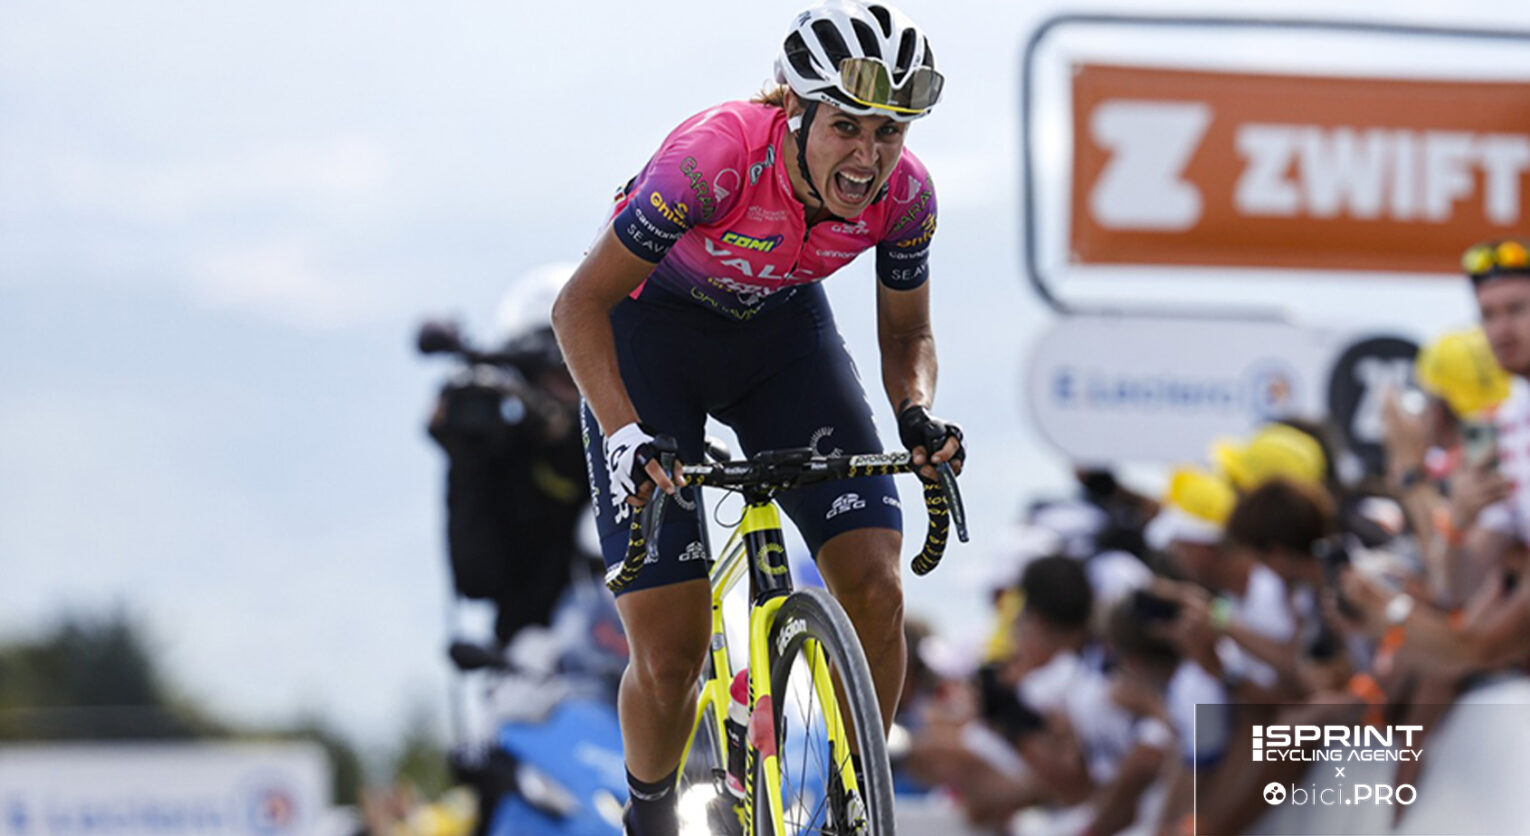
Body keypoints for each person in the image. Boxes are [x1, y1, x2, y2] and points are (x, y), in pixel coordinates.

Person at [548, 3, 964, 833]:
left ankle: (854, 806)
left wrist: (915, 412)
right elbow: (577, 306)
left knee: (876, 587)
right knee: (671, 652)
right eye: (847, 127)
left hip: (780, 342)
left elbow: (908, 335)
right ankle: (650, 814)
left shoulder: (907, 196)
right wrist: (626, 435)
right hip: (648, 339)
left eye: (889, 132)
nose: (869, 157)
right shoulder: (713, 160)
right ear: (795, 108)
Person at [427, 266, 595, 647]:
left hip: (634, 652)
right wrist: (465, 464)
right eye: (559, 375)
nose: (573, 389)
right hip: (532, 660)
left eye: (580, 370)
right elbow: (477, 580)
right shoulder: (501, 454)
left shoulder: (636, 447)